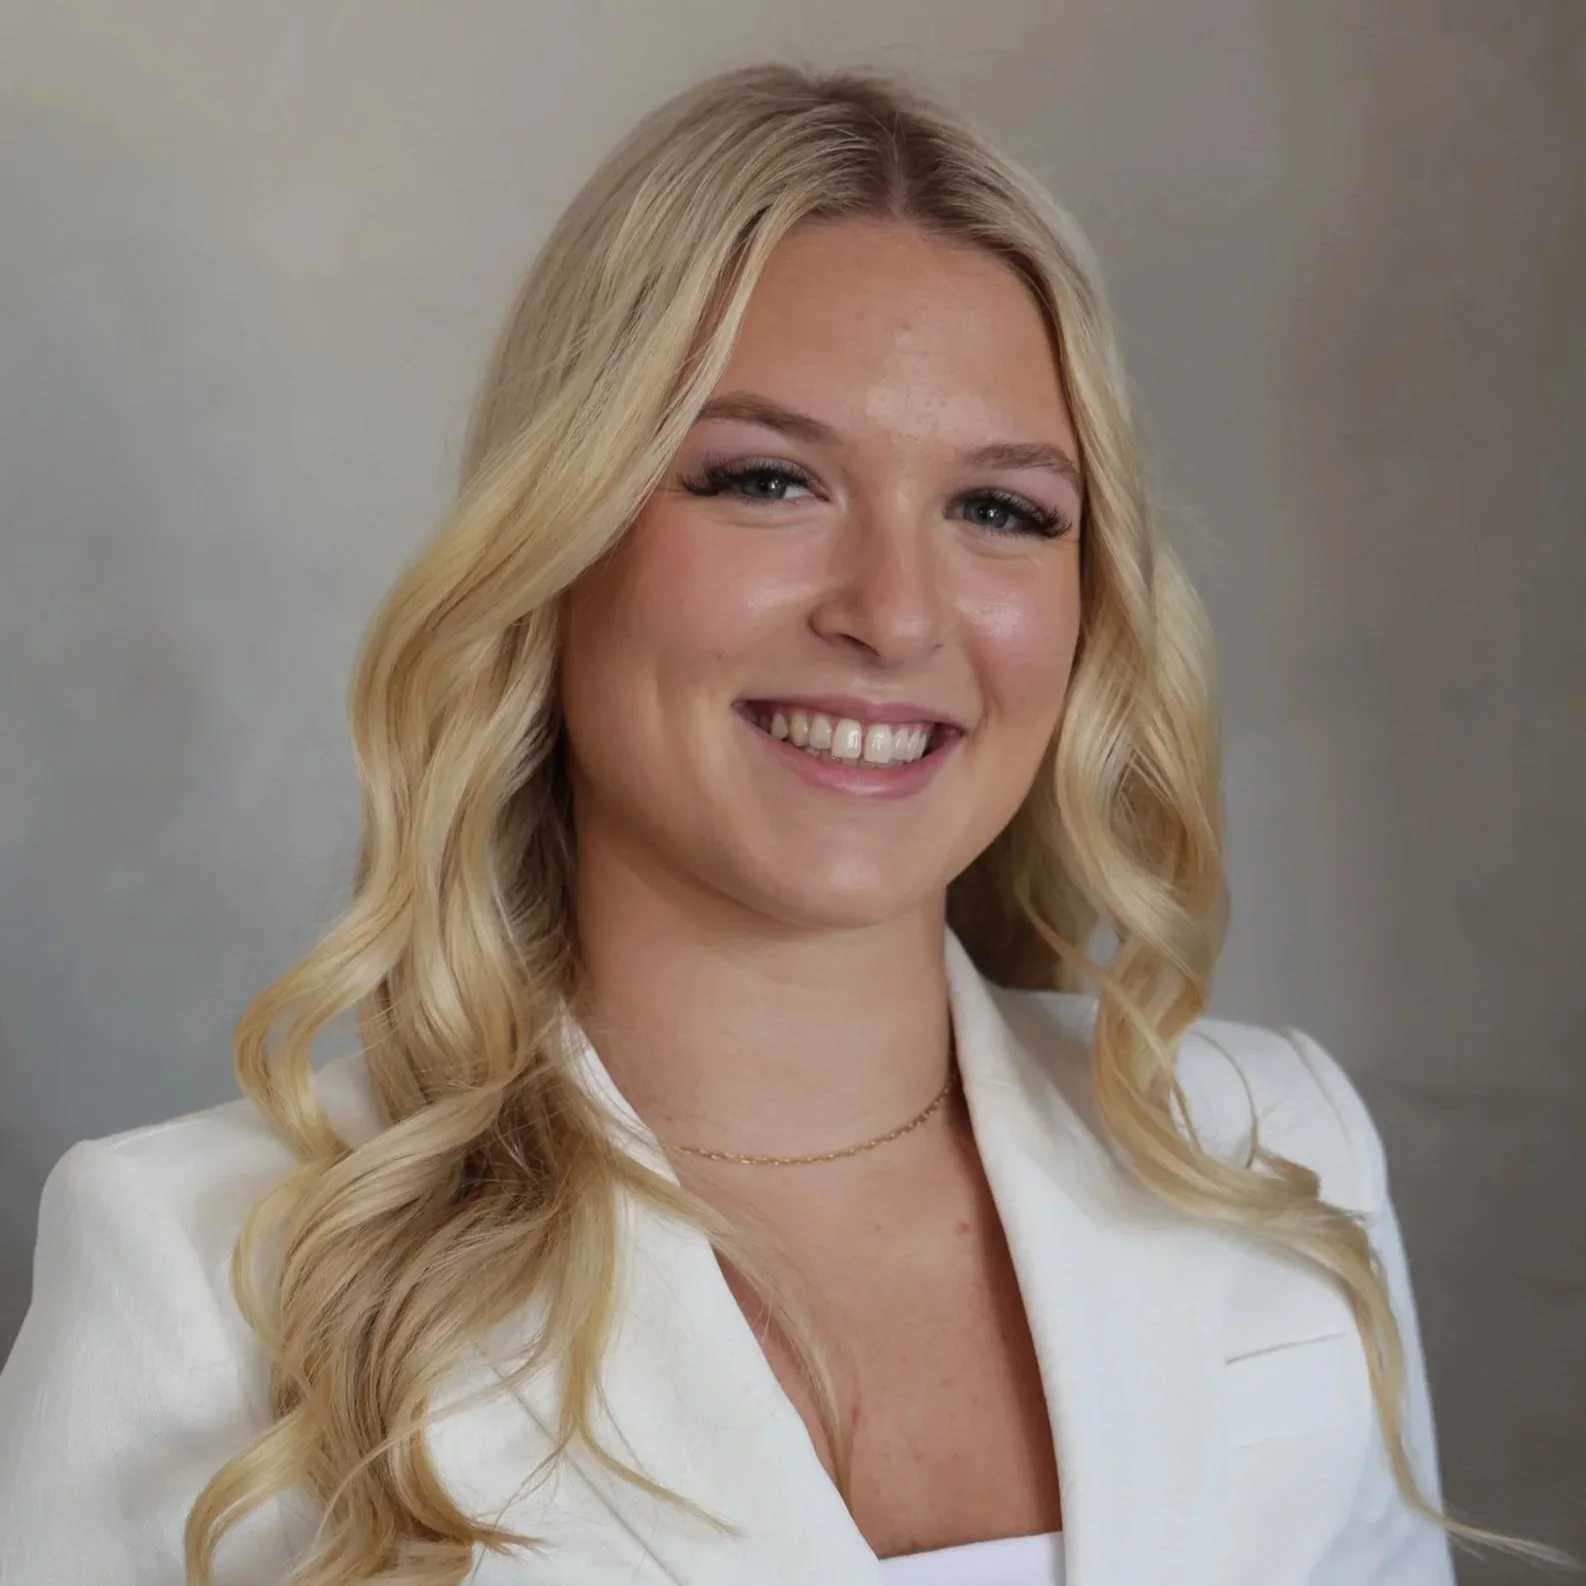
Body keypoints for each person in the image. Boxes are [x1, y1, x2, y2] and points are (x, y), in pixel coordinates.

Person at [0, 59, 1532, 1586]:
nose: (892, 612)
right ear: (561, 537)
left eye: (999, 509)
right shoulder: (204, 1266)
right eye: (768, 480)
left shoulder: (1272, 1150)